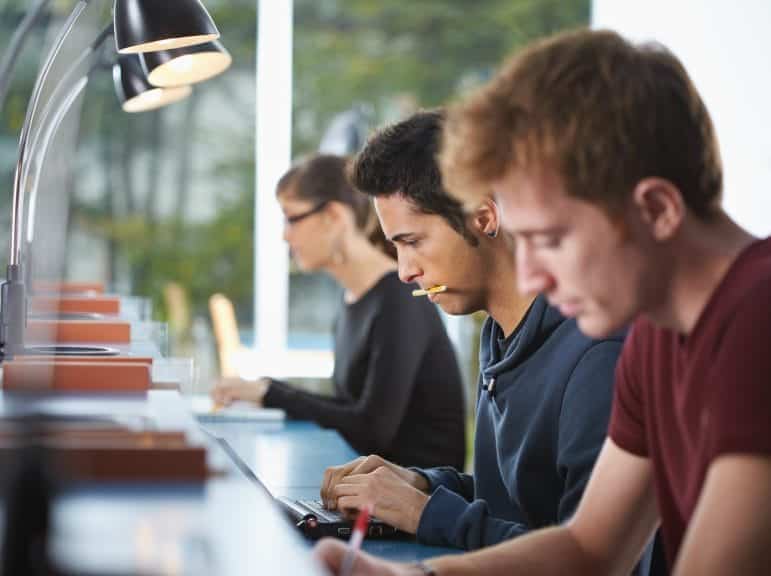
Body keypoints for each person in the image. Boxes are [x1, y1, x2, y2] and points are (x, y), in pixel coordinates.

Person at [314, 29, 771, 575]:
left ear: (656, 209)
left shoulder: (757, 320)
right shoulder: (655, 335)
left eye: (550, 240)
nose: (530, 274)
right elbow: (589, 548)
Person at [318, 111, 624, 554]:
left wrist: (423, 512)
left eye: (412, 242)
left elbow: (584, 556)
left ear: (483, 217)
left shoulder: (597, 354)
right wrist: (420, 482)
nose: (404, 272)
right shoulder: (500, 333)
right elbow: (518, 501)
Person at [212, 154, 465, 469]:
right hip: (369, 487)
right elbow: (350, 409)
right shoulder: (353, 299)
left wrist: (270, 393)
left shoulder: (400, 299)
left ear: (333, 216)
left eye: (291, 218)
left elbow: (372, 429)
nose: (284, 235)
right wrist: (266, 388)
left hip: (414, 504)